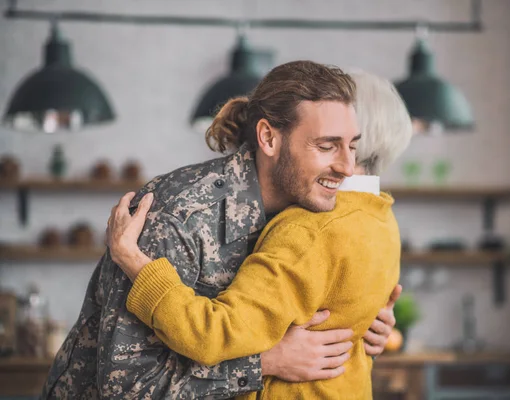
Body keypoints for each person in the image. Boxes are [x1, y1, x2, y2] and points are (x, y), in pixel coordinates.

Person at [41, 61, 400, 399]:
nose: (348, 168)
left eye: (352, 146)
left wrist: (365, 325)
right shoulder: (174, 216)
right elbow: (128, 388)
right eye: (327, 146)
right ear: (269, 139)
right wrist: (266, 363)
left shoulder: (311, 211)